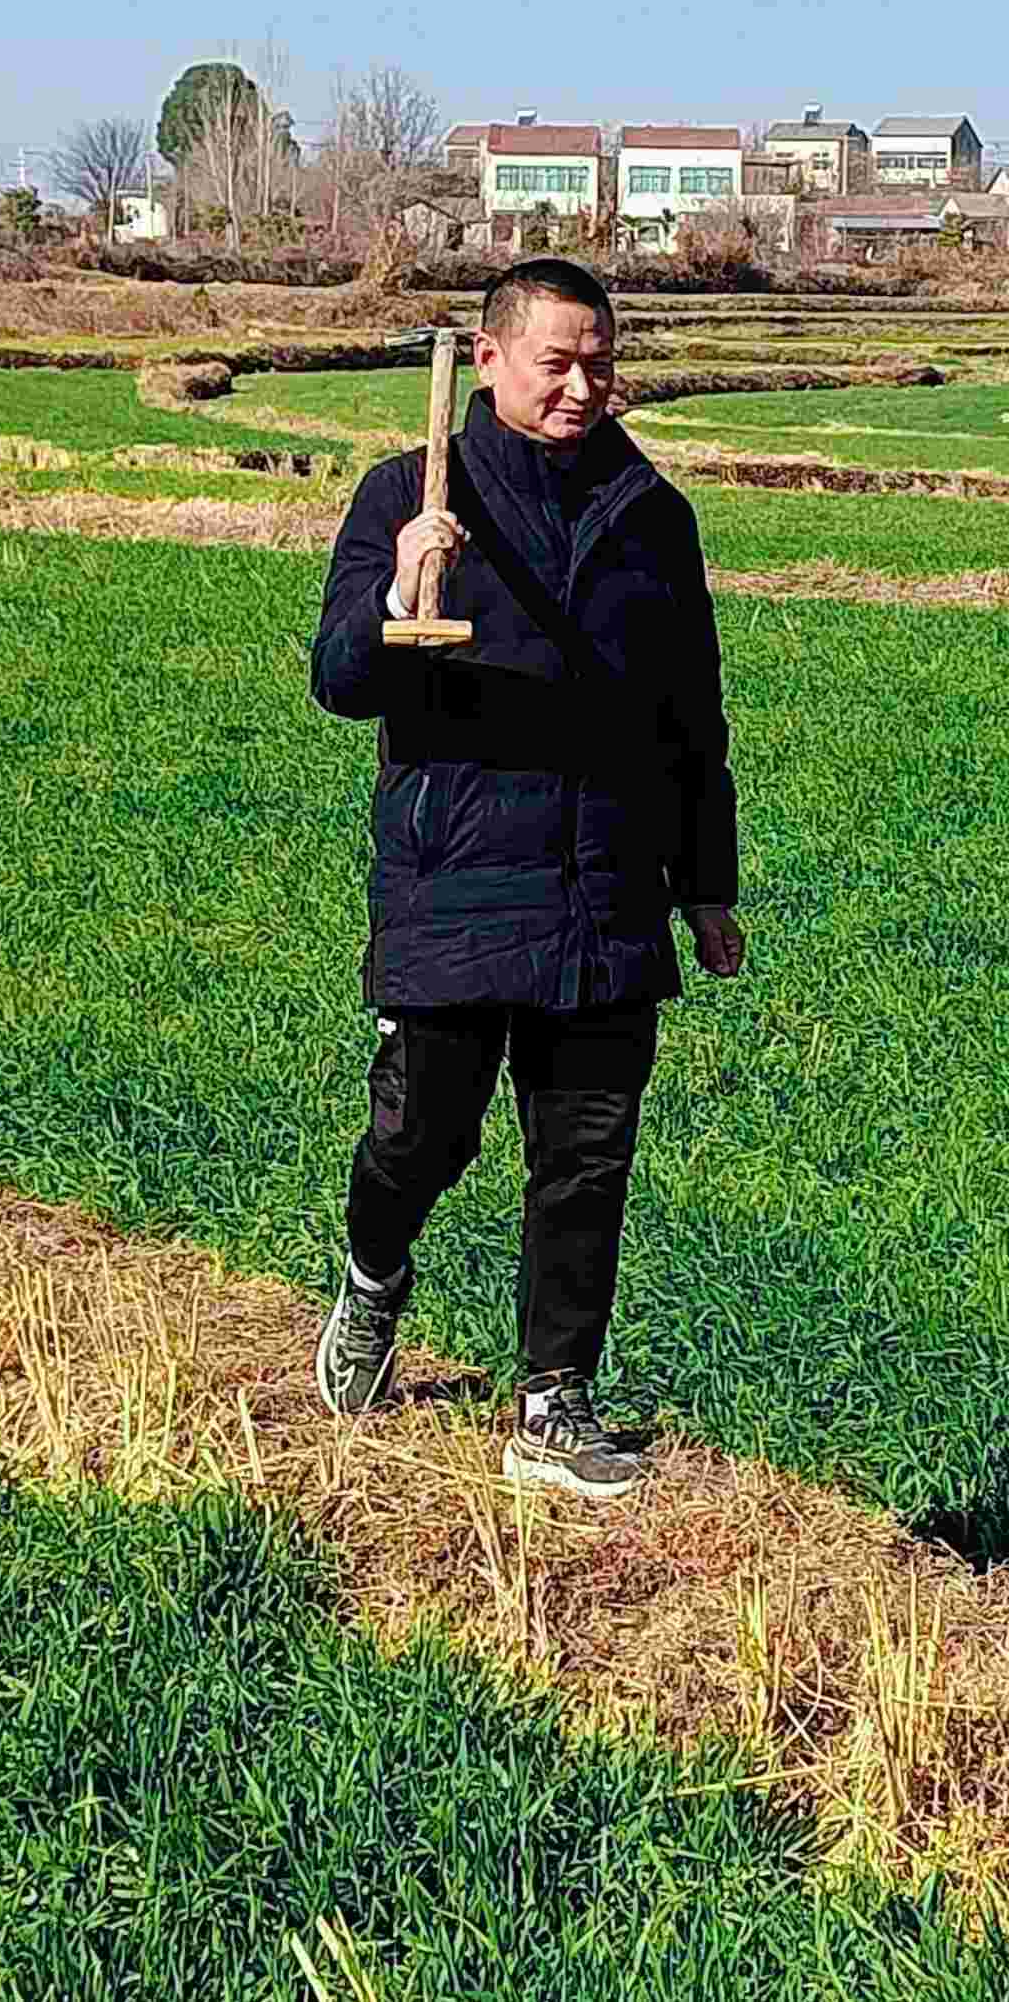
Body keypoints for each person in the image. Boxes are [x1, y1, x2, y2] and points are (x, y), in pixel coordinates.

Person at [304, 256, 745, 1498]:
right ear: (490, 358)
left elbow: (693, 716)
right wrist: (402, 586)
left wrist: (706, 885)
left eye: (601, 363)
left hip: (605, 883)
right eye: (557, 363)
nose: (582, 387)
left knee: (586, 1155)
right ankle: (375, 1275)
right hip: (456, 875)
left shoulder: (651, 515)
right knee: (421, 1133)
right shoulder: (409, 493)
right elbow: (339, 680)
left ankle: (554, 1403)